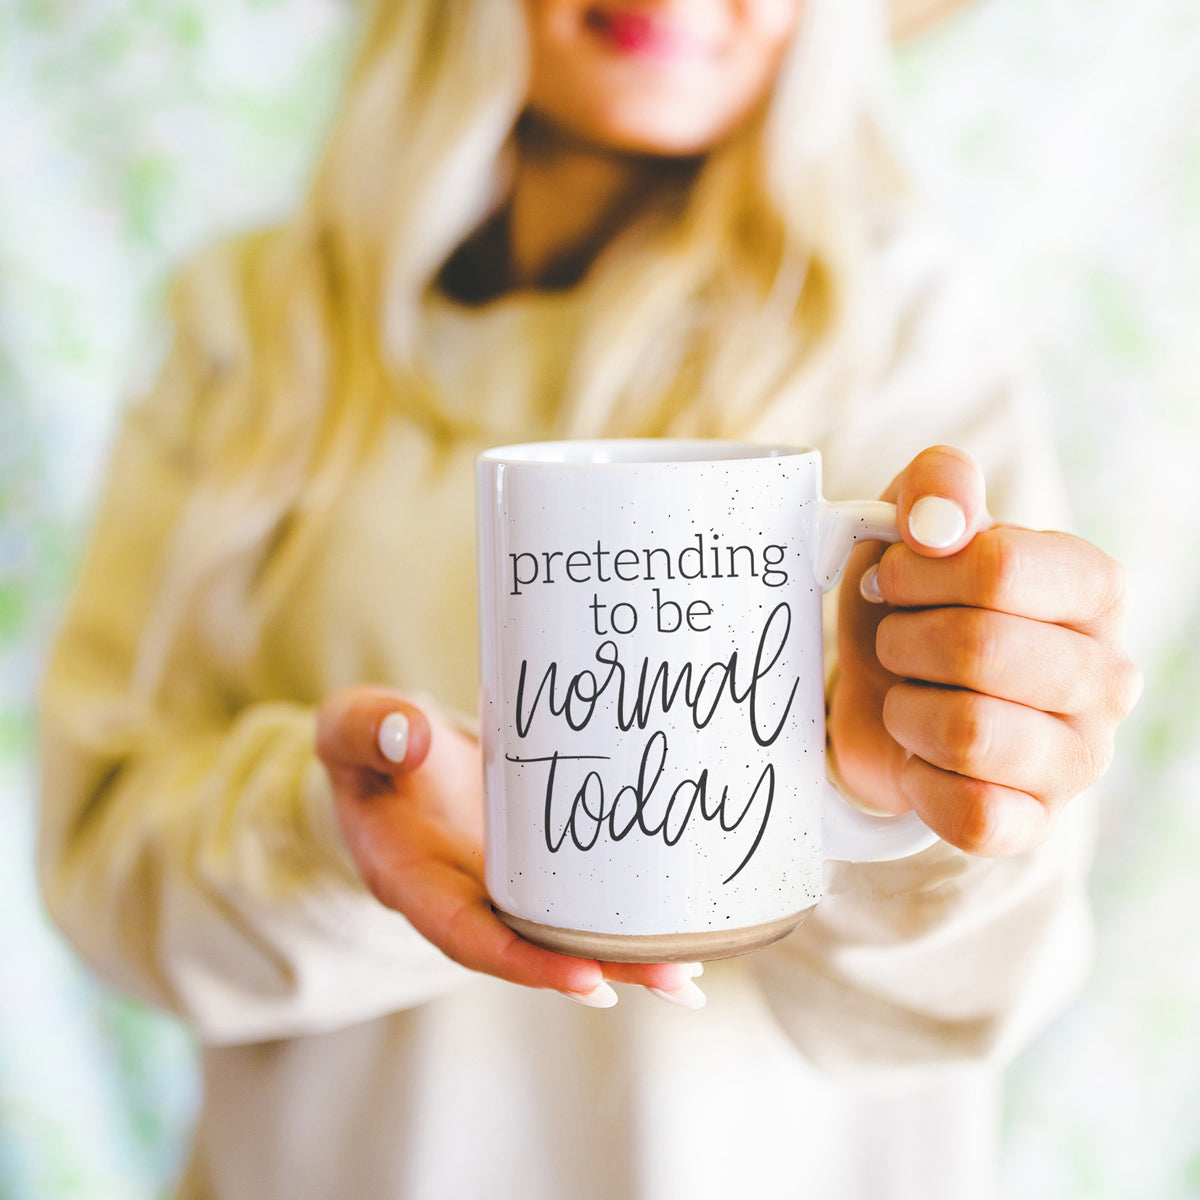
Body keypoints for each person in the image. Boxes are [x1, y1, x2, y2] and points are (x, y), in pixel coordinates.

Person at [38, 2, 1141, 1198]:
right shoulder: (249, 331)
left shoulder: (908, 331)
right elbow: (105, 874)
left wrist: (925, 803)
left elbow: (977, 998)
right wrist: (335, 833)